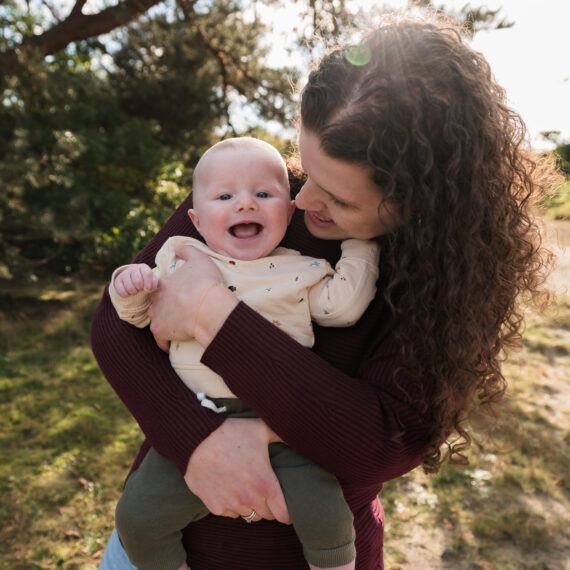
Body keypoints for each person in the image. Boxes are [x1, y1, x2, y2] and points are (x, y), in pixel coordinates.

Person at [92, 9, 553, 570]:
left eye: (339, 200)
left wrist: (213, 313)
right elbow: (115, 329)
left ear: (420, 203)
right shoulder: (249, 194)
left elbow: (377, 442)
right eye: (302, 171)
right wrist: (199, 442)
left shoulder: (454, 287)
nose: (304, 203)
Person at [108, 136, 380, 570]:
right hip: (195, 416)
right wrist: (130, 282)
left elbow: (341, 307)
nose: (245, 204)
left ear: (289, 212)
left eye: (264, 194)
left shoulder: (301, 269)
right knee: (137, 519)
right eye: (225, 196)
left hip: (281, 428)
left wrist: (361, 246)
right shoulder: (181, 256)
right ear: (194, 220)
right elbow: (136, 316)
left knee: (325, 513)